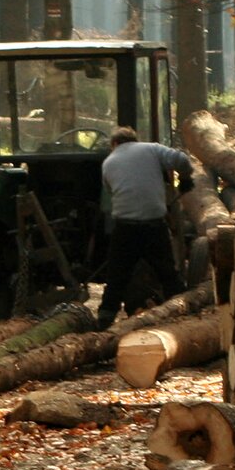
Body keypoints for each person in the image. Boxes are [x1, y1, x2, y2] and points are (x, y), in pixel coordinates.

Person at [96, 126, 192, 328]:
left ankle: (104, 321)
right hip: (154, 226)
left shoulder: (108, 162)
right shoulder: (152, 149)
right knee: (168, 274)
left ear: (114, 144)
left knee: (116, 278)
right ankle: (184, 313)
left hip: (125, 228)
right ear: (135, 139)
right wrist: (184, 179)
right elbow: (182, 160)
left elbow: (111, 192)